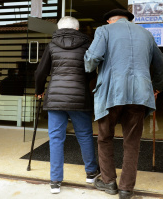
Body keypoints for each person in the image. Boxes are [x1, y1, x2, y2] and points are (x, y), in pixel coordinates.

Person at [84, 9, 163, 199]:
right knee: (132, 142)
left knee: (105, 138)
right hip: (140, 94)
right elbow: (161, 63)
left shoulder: (104, 30)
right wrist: (156, 87)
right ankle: (126, 189)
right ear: (129, 20)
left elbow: (92, 59)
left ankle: (109, 182)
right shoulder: (145, 34)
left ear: (109, 21)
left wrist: (88, 66)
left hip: (111, 93)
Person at [34, 16, 100, 194]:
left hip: (55, 97)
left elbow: (41, 72)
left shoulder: (52, 45)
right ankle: (91, 173)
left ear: (59, 28)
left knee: (56, 138)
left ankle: (55, 181)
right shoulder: (88, 45)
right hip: (79, 97)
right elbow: (91, 71)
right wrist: (82, 82)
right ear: (77, 29)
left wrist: (39, 90)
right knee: (84, 135)